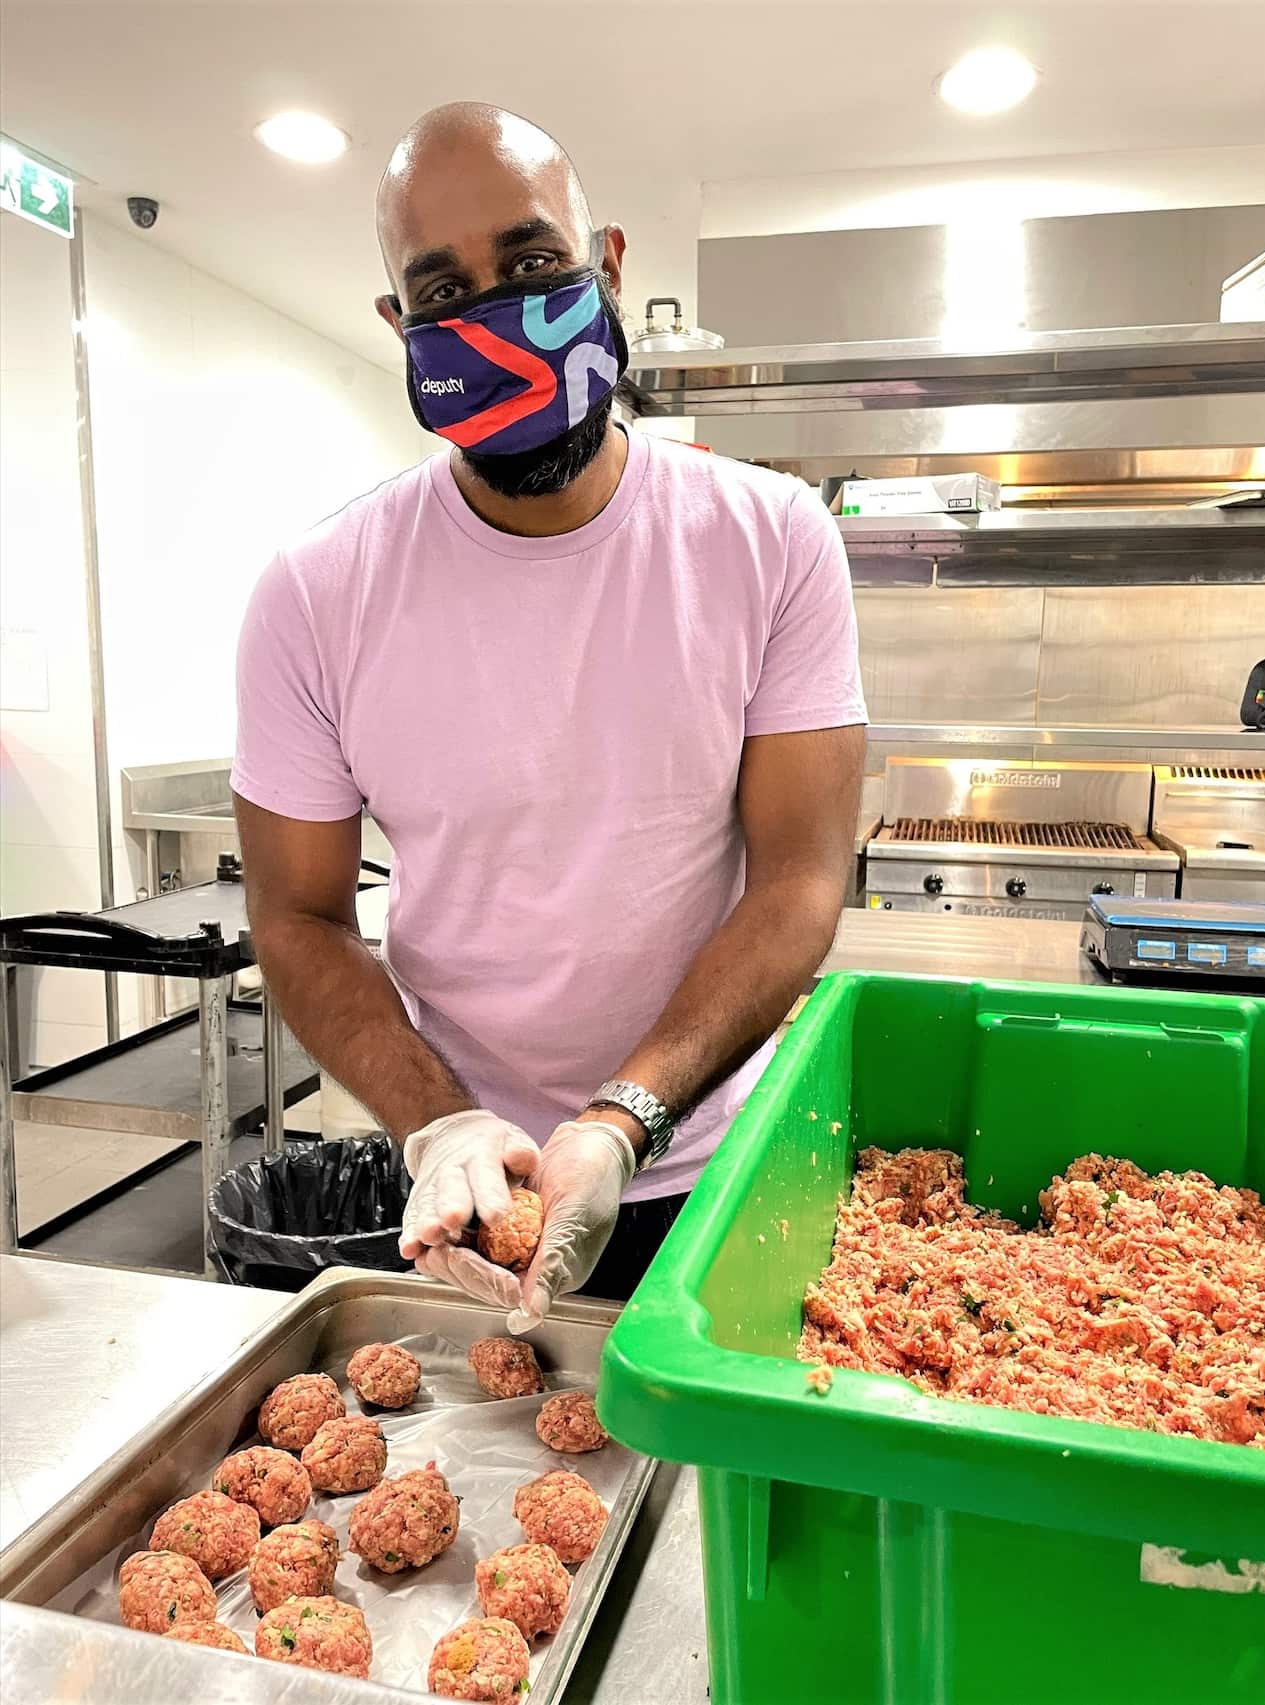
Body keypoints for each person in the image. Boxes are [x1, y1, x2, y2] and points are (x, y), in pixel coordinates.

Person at [232, 101, 866, 1331]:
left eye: (531, 264)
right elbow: (297, 916)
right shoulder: (317, 593)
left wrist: (623, 1118)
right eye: (443, 291)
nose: (498, 320)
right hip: (462, 1175)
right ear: (398, 324)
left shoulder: (769, 539)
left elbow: (796, 878)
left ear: (606, 264)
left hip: (710, 1150)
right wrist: (438, 1124)